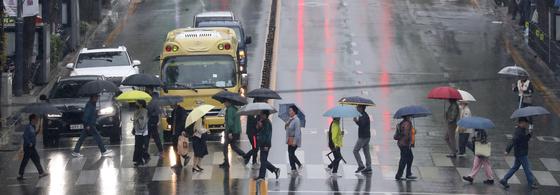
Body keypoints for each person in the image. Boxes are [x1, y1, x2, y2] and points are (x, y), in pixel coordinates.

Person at [500, 117, 538, 189]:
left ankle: (504, 179)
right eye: (525, 123)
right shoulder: (519, 131)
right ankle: (531, 183)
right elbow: (513, 141)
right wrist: (507, 151)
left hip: (519, 152)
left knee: (515, 167)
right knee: (527, 168)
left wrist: (529, 134)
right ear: (521, 123)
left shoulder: (521, 130)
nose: (526, 124)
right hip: (522, 153)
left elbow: (524, 139)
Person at [17, 114, 49, 180]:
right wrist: (29, 143)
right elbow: (24, 136)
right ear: (32, 120)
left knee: (36, 158)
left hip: (32, 147)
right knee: (25, 161)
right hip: (28, 147)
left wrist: (38, 129)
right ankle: (20, 175)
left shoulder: (33, 126)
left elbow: (33, 134)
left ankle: (41, 173)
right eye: (36, 119)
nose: (37, 121)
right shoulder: (28, 127)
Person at [219, 100, 246, 168]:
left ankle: (226, 163)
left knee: (225, 147)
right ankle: (245, 156)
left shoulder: (230, 110)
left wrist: (230, 132)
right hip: (236, 130)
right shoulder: (234, 108)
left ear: (229, 102)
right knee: (233, 146)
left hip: (231, 131)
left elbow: (230, 122)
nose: (224, 103)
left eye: (225, 102)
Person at [256, 110, 280, 181]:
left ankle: (262, 177)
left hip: (265, 144)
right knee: (263, 160)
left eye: (261, 114)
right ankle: (275, 170)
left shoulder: (267, 123)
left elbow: (268, 135)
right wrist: (259, 126)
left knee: (263, 160)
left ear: (265, 115)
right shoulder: (263, 122)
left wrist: (266, 145)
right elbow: (260, 131)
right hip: (262, 143)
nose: (260, 115)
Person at [394, 116, 417, 181]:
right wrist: (412, 132)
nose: (410, 117)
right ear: (407, 117)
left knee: (410, 157)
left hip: (403, 143)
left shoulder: (403, 122)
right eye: (409, 116)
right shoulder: (407, 123)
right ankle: (399, 175)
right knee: (404, 160)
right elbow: (406, 133)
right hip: (405, 144)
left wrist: (412, 131)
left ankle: (408, 173)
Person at [244, 99, 265, 167]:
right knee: (255, 148)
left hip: (255, 133)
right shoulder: (251, 112)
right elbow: (253, 122)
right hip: (252, 133)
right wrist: (257, 122)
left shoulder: (258, 113)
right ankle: (247, 157)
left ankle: (251, 160)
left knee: (255, 147)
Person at [353, 105, 372, 174]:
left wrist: (356, 121)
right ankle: (369, 167)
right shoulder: (363, 115)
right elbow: (362, 125)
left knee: (355, 151)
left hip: (363, 137)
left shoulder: (363, 116)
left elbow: (362, 125)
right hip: (367, 136)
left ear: (361, 108)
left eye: (357, 107)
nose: (356, 108)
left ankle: (361, 165)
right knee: (366, 152)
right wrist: (357, 121)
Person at [285, 105, 303, 174]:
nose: (289, 112)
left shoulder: (297, 120)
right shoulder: (290, 119)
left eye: (291, 110)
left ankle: (299, 164)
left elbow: (297, 132)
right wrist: (287, 124)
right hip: (290, 139)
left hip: (294, 139)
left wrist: (295, 142)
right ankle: (293, 169)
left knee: (291, 153)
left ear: (294, 112)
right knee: (290, 154)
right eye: (289, 110)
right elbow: (287, 129)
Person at [132, 100, 150, 166]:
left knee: (139, 146)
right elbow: (135, 121)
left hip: (142, 132)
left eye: (137, 102)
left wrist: (137, 119)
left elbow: (143, 122)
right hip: (137, 131)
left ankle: (141, 159)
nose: (136, 103)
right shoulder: (137, 111)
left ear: (141, 104)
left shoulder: (144, 111)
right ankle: (142, 158)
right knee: (138, 146)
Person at [146, 92, 164, 157]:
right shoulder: (156, 102)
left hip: (151, 121)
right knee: (156, 137)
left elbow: (149, 111)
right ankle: (161, 151)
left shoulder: (152, 102)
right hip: (154, 121)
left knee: (148, 137)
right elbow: (159, 112)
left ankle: (146, 152)